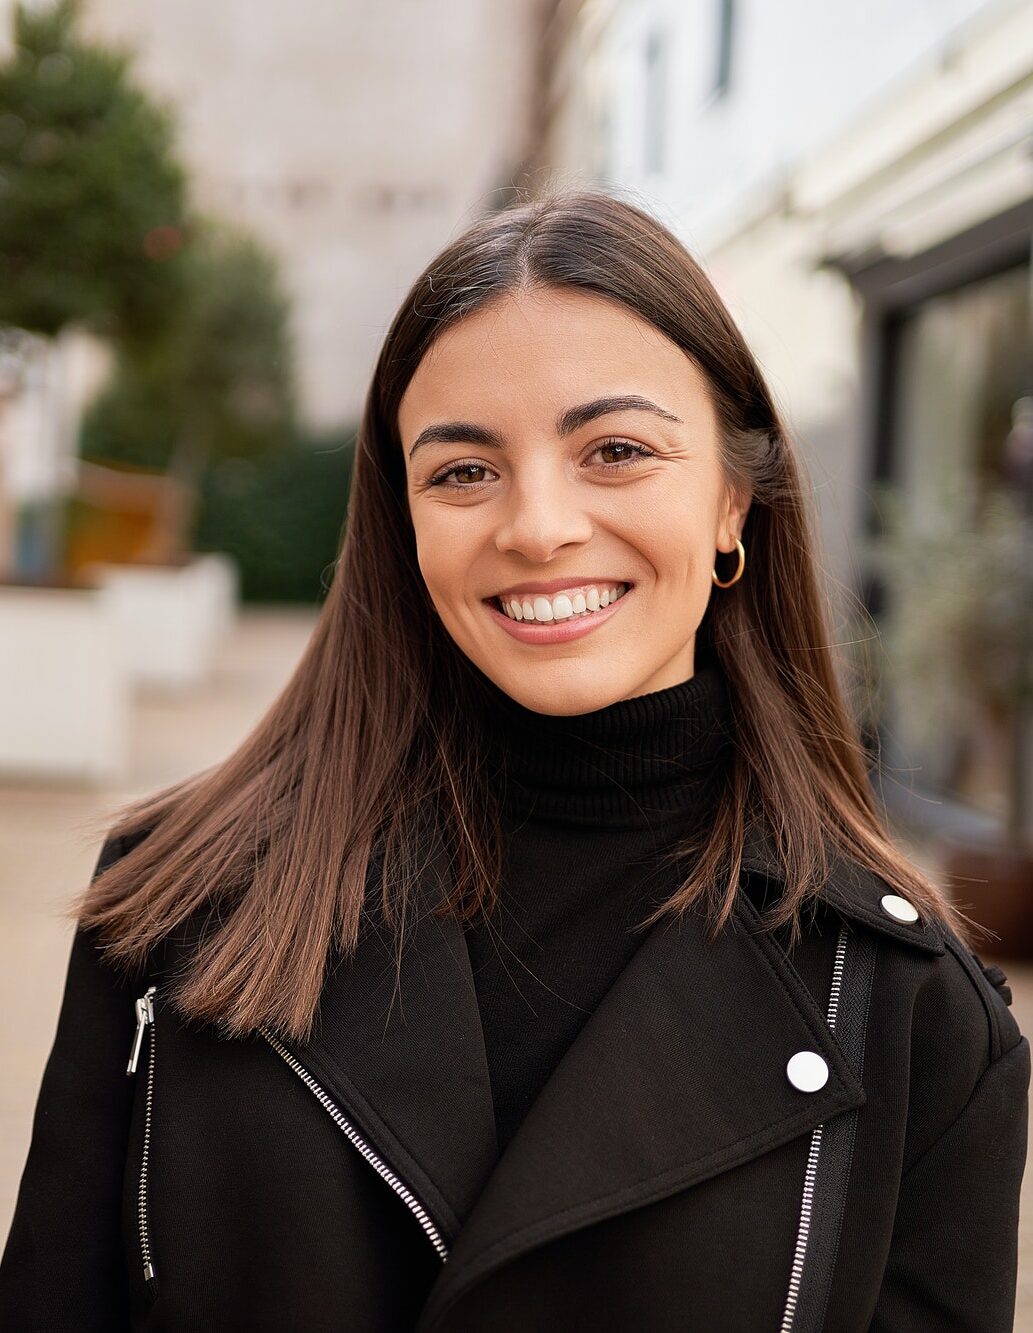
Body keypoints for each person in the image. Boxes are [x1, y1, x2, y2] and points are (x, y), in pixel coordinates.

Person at [0, 187, 1027, 1332]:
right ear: (404, 519)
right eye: (462, 471)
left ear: (735, 497)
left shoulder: (910, 1008)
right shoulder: (174, 902)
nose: (537, 526)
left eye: (617, 450)